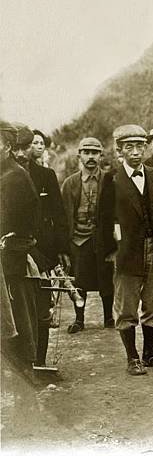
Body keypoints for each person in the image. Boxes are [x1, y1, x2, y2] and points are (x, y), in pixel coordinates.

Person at [101, 125, 153, 375]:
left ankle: (150, 353)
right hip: (126, 251)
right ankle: (132, 358)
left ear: (145, 148)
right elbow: (102, 219)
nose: (135, 152)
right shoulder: (110, 179)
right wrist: (111, 250)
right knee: (126, 307)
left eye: (139, 146)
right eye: (128, 147)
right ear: (119, 150)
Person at [11, 123, 70, 368]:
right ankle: (23, 363)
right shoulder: (7, 176)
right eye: (20, 148)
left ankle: (40, 361)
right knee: (18, 308)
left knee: (42, 307)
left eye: (27, 147)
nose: (22, 154)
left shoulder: (45, 175)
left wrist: (62, 250)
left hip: (43, 249)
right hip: (16, 250)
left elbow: (59, 213)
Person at [61, 137, 115, 332]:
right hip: (78, 239)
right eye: (87, 152)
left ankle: (109, 317)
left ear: (101, 155)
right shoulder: (69, 183)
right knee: (79, 280)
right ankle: (79, 319)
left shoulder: (109, 180)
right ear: (80, 156)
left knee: (106, 279)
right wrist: (64, 245)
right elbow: (63, 216)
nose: (91, 157)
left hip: (101, 239)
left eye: (95, 153)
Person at [0, 119, 41, 371]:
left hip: (12, 261)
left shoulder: (13, 177)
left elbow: (10, 222)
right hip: (8, 258)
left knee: (16, 322)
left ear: (7, 146)